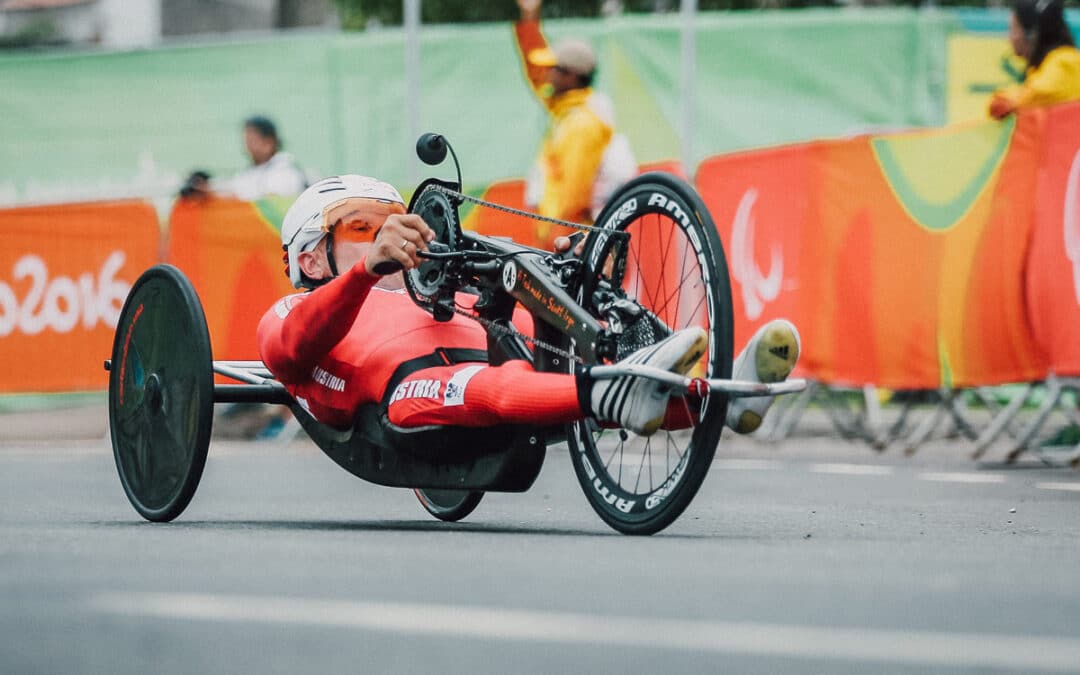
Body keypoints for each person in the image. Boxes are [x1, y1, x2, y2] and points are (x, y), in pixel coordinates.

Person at [256, 175, 800, 440]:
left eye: (396, 218)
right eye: (362, 226)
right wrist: (365, 270)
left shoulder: (442, 287)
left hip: (505, 365)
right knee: (491, 384)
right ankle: (615, 389)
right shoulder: (291, 308)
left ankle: (725, 398)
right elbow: (292, 350)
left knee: (560, 317)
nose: (388, 233)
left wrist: (566, 284)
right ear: (310, 256)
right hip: (408, 391)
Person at [513, 0, 637, 242]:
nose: (547, 75)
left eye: (554, 69)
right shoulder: (566, 109)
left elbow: (574, 199)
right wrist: (530, 19)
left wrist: (554, 246)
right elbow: (536, 75)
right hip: (567, 241)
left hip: (570, 244)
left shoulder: (582, 124)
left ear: (572, 76)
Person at [180, 115, 309, 201]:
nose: (247, 147)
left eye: (252, 141)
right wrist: (206, 187)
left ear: (269, 142)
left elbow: (265, 201)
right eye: (246, 141)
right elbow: (233, 187)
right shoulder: (252, 172)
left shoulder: (285, 170)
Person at [989, 0, 1080, 119]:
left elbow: (1042, 92)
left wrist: (1008, 101)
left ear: (1031, 34)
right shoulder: (1051, 64)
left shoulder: (1065, 61)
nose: (1010, 38)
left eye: (1013, 29)